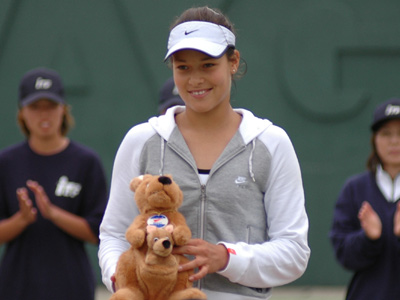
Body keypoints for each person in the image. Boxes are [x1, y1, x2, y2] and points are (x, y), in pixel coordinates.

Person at [99, 6, 310, 300]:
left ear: (233, 62)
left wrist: (226, 258)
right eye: (183, 67)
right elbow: (113, 234)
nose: (195, 79)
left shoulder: (272, 143)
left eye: (208, 65)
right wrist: (122, 278)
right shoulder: (141, 140)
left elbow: (294, 252)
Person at [0, 67, 108, 300]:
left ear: (63, 109)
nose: (43, 115)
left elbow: (101, 232)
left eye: (50, 106)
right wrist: (22, 219)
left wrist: (53, 213)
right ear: (22, 112)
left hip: (71, 286)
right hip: (16, 287)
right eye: (35, 107)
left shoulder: (85, 161)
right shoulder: (6, 162)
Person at [330, 98, 400, 299]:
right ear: (374, 139)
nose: (394, 141)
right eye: (386, 133)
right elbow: (345, 256)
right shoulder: (355, 189)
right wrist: (369, 238)